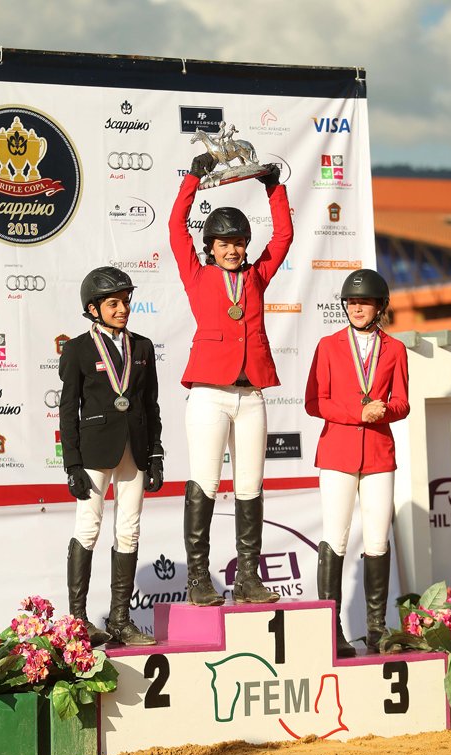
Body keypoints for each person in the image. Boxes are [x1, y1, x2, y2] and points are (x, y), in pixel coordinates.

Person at [169, 153, 294, 607]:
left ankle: (247, 577)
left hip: (252, 395)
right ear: (211, 246)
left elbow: (283, 236)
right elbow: (175, 226)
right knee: (205, 481)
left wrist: (273, 188)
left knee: (250, 486)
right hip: (208, 395)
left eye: (239, 241)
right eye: (224, 242)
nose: (233, 249)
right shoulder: (197, 275)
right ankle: (198, 577)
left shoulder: (257, 276)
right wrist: (192, 177)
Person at [305, 269, 410, 656]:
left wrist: (381, 412)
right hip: (337, 453)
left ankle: (377, 629)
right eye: (351, 302)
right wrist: (358, 412)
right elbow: (315, 401)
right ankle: (331, 629)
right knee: (336, 537)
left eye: (364, 302)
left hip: (380, 455)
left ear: (380, 306)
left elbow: (402, 402)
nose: (357, 308)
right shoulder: (329, 345)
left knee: (378, 539)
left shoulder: (395, 349)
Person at [59, 266, 164, 647]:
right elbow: (68, 409)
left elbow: (150, 405)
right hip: (94, 452)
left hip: (133, 450)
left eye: (125, 302)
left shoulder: (144, 346)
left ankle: (121, 619)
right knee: (88, 527)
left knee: (129, 528)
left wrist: (155, 454)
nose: (123, 309)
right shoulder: (77, 350)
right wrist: (71, 464)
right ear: (93, 308)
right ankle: (78, 621)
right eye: (114, 303)